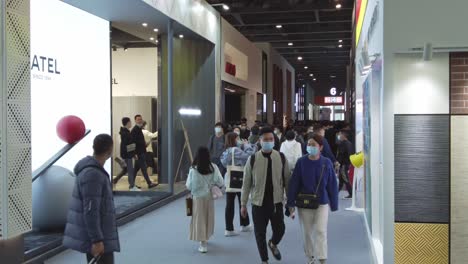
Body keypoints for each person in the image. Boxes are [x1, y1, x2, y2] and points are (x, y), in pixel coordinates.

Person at [63, 134, 120, 264]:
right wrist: (97, 240)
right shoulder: (93, 174)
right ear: (110, 150)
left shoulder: (93, 171)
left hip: (100, 233)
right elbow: (90, 211)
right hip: (98, 237)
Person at [241, 127, 291, 264]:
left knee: (280, 229)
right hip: (258, 202)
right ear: (260, 141)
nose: (268, 142)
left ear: (274, 141)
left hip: (276, 201)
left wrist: (290, 202)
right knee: (260, 234)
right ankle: (264, 260)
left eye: (271, 139)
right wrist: (243, 204)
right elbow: (246, 183)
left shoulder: (280, 157)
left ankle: (273, 243)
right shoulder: (252, 159)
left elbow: (287, 180)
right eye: (265, 139)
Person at [286, 134, 339, 264]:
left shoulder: (326, 163)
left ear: (320, 147)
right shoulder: (301, 162)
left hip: (322, 203)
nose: (310, 147)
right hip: (304, 203)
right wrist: (290, 203)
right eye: (308, 144)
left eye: (313, 145)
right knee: (307, 232)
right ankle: (310, 257)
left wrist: (334, 203)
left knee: (321, 230)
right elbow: (294, 183)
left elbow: (332, 184)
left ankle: (322, 258)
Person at [186, 147, 224, 253]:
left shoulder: (193, 169)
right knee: (208, 217)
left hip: (197, 198)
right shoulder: (214, 167)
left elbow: (189, 186)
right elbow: (220, 182)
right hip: (209, 197)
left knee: (199, 219)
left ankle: (202, 243)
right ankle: (206, 237)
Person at [220, 132, 257, 236]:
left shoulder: (227, 151)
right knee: (242, 202)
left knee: (229, 204)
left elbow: (223, 162)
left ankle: (229, 228)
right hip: (240, 179)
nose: (239, 140)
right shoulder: (236, 150)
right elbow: (250, 156)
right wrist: (247, 145)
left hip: (230, 179)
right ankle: (244, 224)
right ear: (234, 139)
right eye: (238, 138)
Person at [131, 115, 158, 189]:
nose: (140, 120)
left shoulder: (139, 129)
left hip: (142, 152)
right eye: (138, 119)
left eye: (141, 119)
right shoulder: (135, 130)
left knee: (136, 169)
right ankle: (149, 183)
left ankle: (132, 184)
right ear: (135, 121)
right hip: (139, 153)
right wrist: (134, 153)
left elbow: (139, 141)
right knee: (143, 168)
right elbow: (133, 142)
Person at [113, 117, 139, 190]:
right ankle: (132, 186)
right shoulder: (125, 133)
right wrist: (134, 154)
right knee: (130, 170)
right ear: (127, 123)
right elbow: (128, 145)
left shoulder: (125, 132)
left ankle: (115, 180)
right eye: (130, 122)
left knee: (126, 169)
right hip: (127, 154)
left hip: (125, 154)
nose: (131, 123)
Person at [336, 129, 354, 199]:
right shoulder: (349, 143)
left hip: (343, 164)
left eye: (340, 134)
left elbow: (341, 154)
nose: (339, 136)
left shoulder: (343, 144)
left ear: (343, 135)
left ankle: (351, 193)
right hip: (347, 163)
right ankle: (335, 193)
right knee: (341, 179)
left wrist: (338, 162)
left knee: (345, 178)